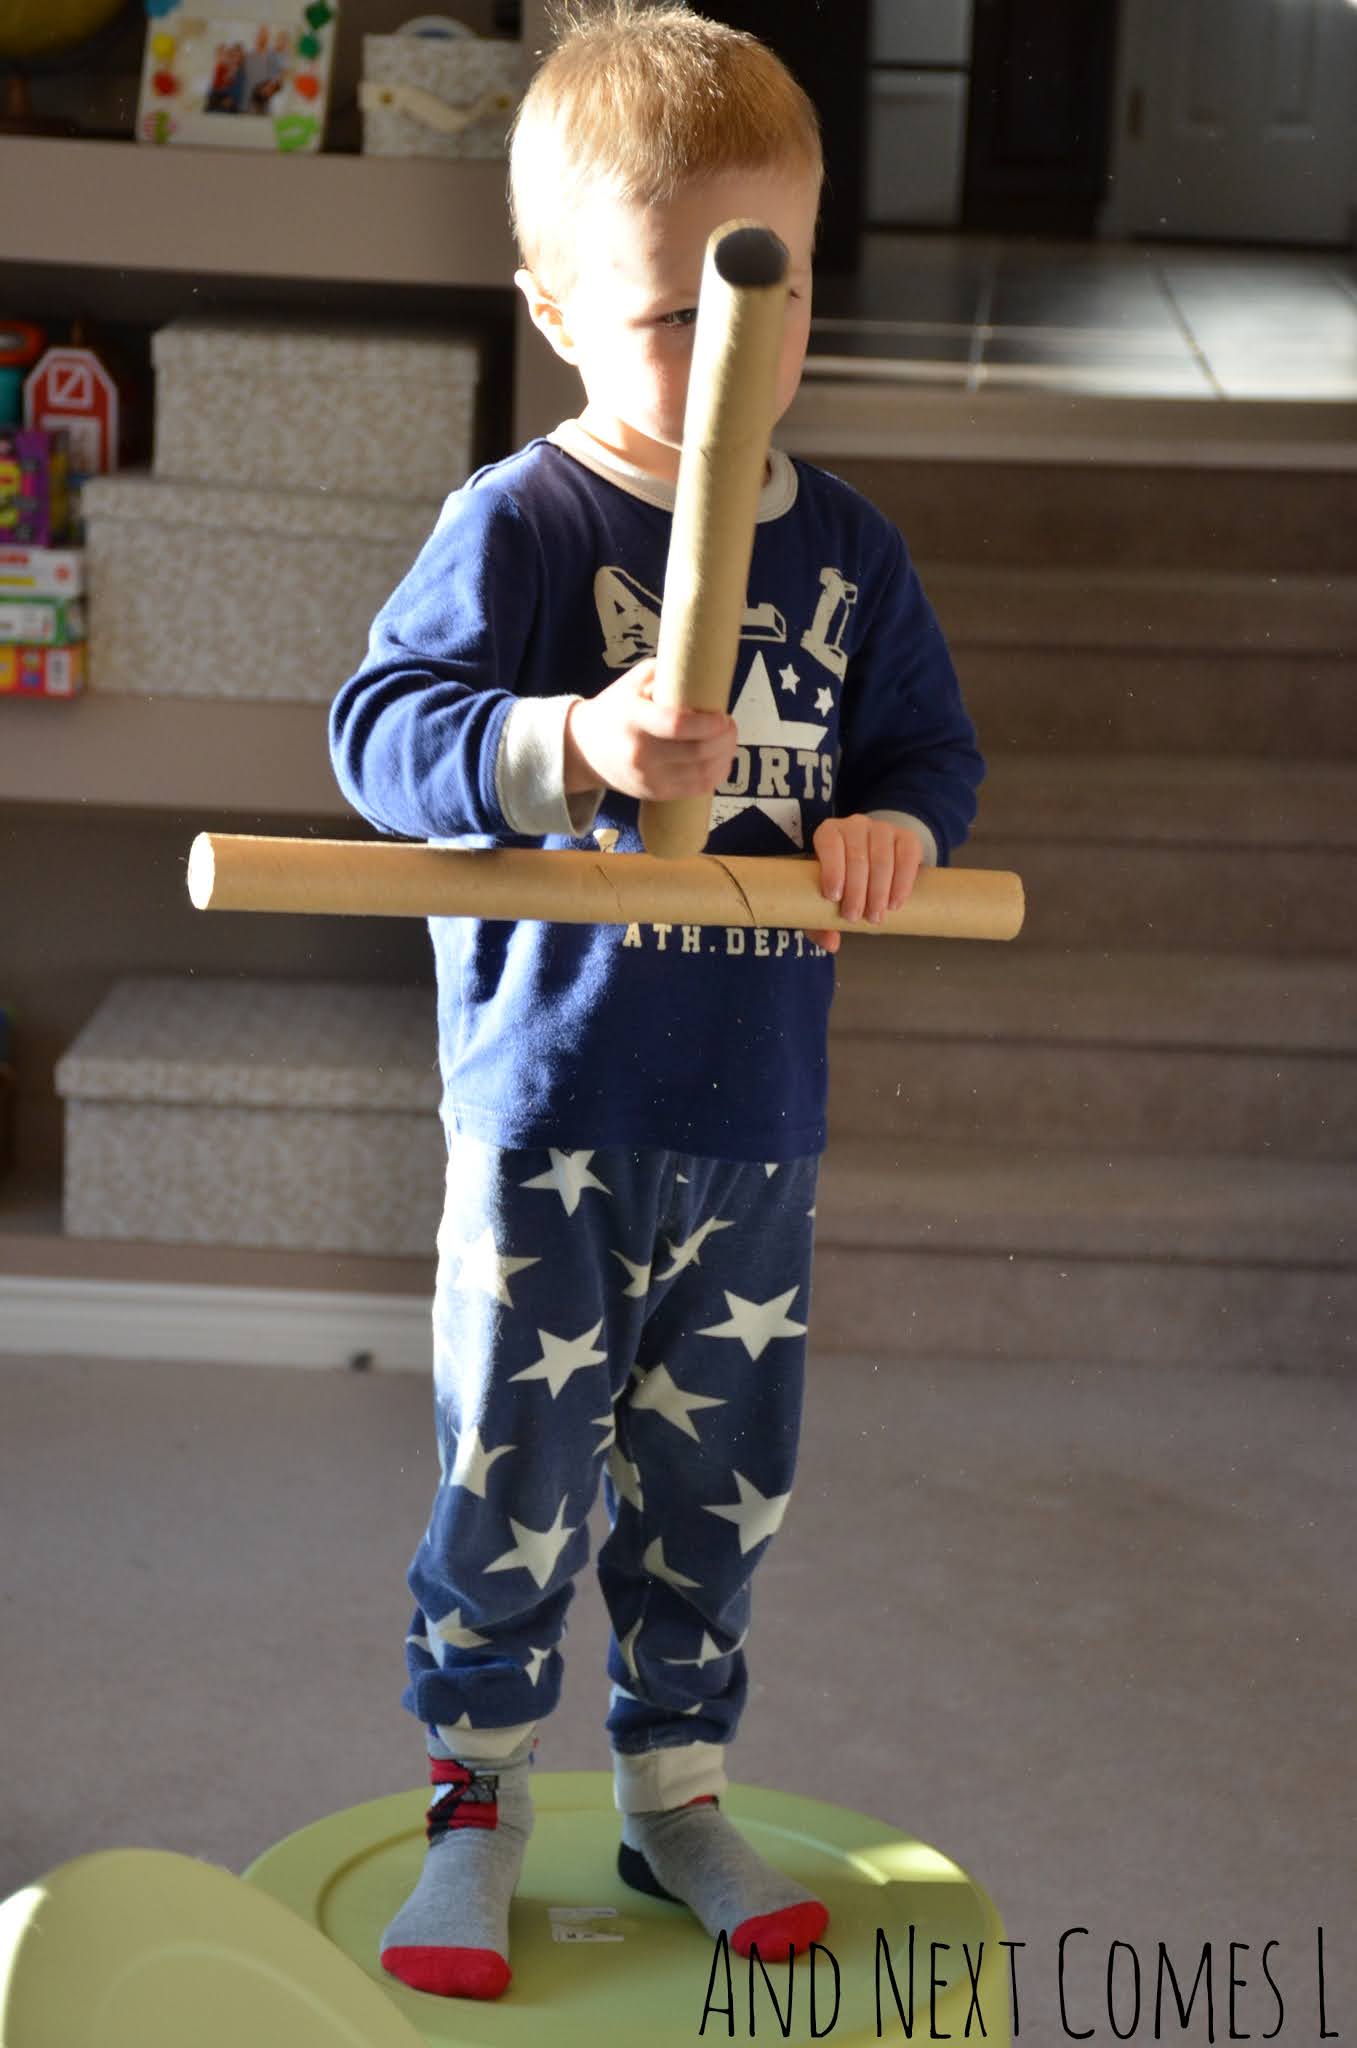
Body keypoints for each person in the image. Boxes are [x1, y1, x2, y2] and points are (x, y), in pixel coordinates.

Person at [329, 0, 984, 2005]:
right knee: (512, 1482)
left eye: (775, 297)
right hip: (553, 1108)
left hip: (751, 1121)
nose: (740, 355)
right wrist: (567, 743)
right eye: (681, 313)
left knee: (720, 1485)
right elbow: (381, 734)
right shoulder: (523, 522)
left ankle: (676, 1787)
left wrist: (892, 830)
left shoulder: (848, 552)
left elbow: (928, 757)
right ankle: (471, 1805)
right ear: (553, 312)